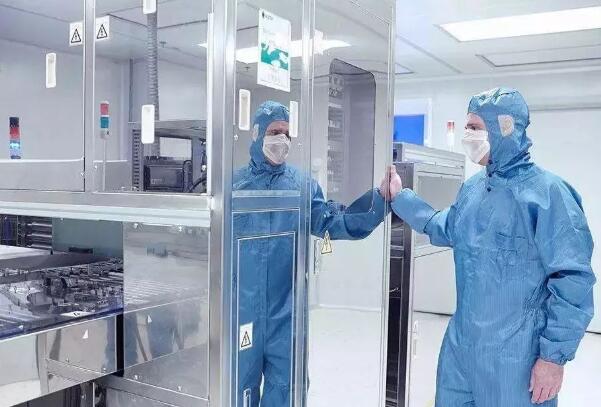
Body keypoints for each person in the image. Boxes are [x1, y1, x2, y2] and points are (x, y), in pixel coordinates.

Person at [385, 87, 595, 407]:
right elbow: (443, 226)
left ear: (504, 128)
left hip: (515, 359)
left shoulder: (549, 195)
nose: (467, 136)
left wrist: (553, 358)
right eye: (467, 127)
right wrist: (401, 198)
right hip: (461, 349)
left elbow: (573, 281)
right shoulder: (473, 189)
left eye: (475, 127)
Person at [233, 100, 389, 406]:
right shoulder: (233, 185)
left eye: (287, 134)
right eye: (275, 132)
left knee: (287, 388)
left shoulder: (302, 185)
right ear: (257, 134)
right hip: (241, 308)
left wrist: (378, 200)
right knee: (238, 386)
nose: (282, 140)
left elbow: (332, 221)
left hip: (286, 310)